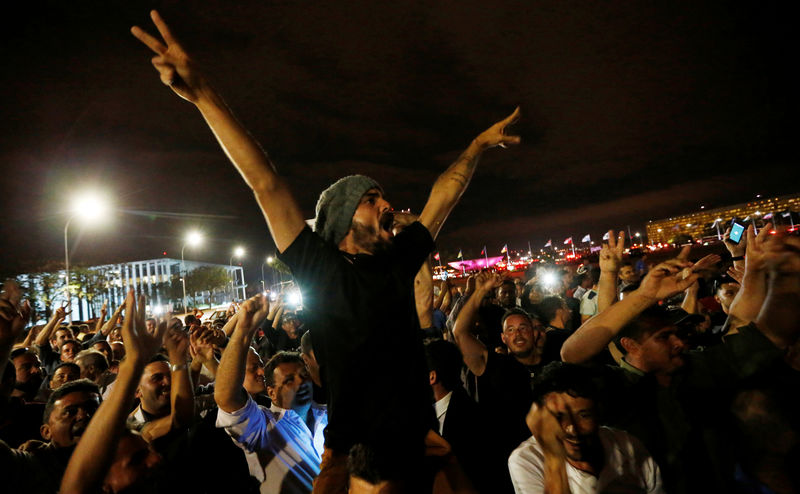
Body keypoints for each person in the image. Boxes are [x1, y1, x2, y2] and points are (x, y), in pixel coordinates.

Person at [132, 10, 519, 492]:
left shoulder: (397, 261)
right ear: (341, 220)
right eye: (371, 199)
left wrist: (476, 147)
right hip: (347, 450)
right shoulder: (321, 266)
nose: (387, 205)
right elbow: (264, 180)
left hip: (422, 439)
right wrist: (203, 93)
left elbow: (443, 198)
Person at [560, 226, 800, 493]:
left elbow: (758, 329)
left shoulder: (697, 367)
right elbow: (572, 353)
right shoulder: (617, 388)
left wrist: (782, 273)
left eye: (675, 333)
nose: (678, 342)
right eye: (663, 338)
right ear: (631, 346)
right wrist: (641, 294)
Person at [215, 296, 324, 494]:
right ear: (271, 392)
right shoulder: (264, 428)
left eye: (304, 375)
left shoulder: (328, 414)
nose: (301, 382)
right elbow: (226, 397)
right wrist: (242, 332)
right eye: (289, 380)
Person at [509, 362, 663, 494]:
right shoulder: (528, 459)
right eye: (558, 417)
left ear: (598, 413)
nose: (572, 429)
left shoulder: (628, 446)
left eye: (583, 415)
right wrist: (554, 459)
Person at [1, 378, 102, 494]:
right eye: (70, 411)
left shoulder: (117, 464)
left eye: (93, 409)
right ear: (46, 432)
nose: (84, 416)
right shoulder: (25, 466)